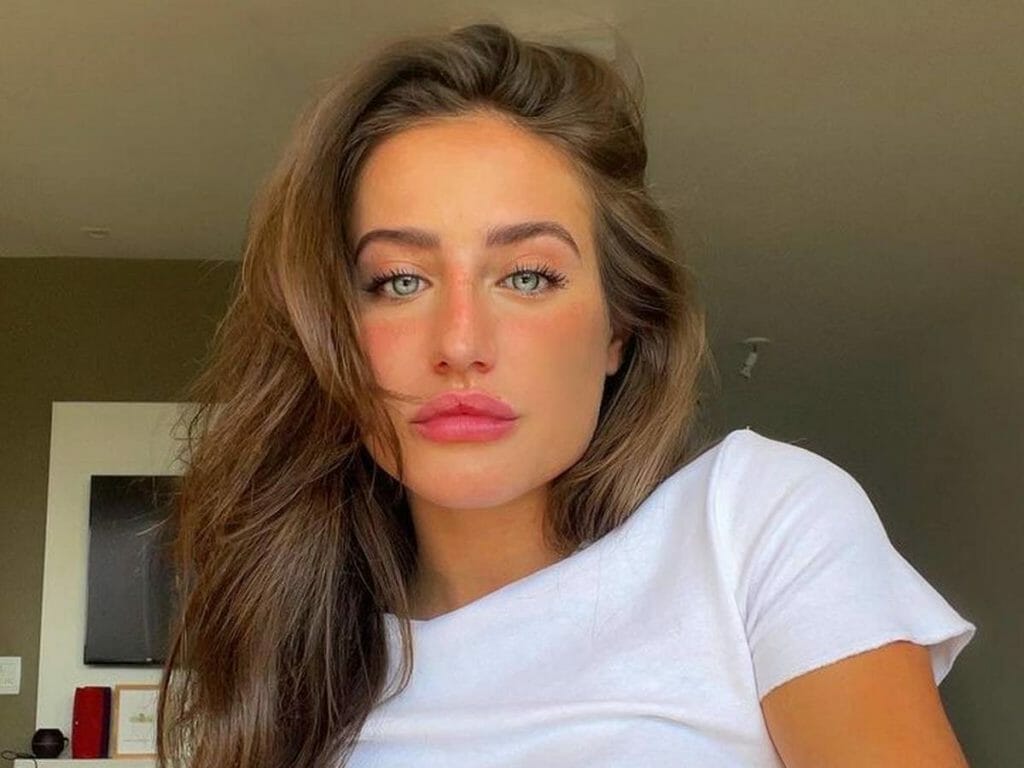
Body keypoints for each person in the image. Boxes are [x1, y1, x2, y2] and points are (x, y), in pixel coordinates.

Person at [157, 22, 977, 768]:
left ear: (619, 328)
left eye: (527, 276)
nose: (460, 344)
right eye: (399, 280)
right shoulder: (294, 664)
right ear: (331, 327)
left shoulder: (750, 526)